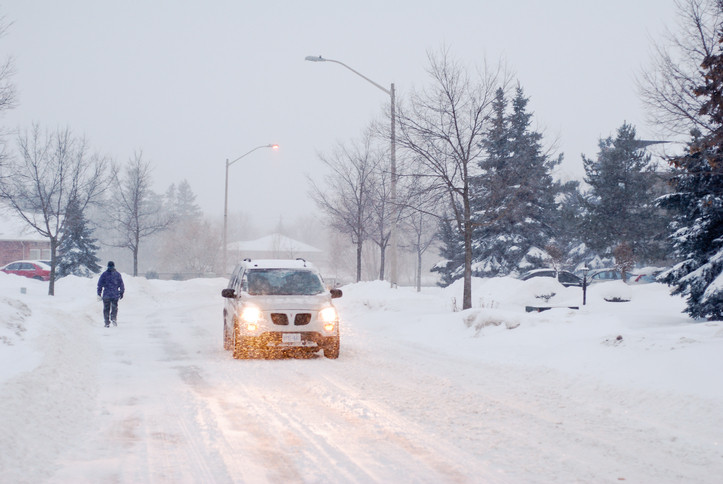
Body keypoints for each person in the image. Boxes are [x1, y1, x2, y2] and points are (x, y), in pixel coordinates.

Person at [97, 261, 125, 327]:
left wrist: (99, 293)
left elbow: (100, 284)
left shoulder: (104, 274)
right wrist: (121, 292)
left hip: (106, 294)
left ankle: (107, 322)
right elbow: (121, 284)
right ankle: (113, 318)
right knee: (114, 307)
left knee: (106, 308)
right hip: (115, 294)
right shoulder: (117, 274)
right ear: (114, 266)